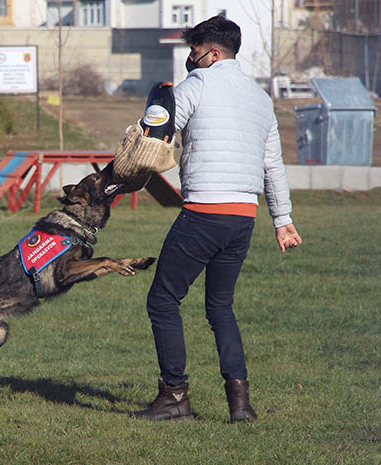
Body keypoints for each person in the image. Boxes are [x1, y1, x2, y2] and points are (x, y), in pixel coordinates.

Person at [130, 16, 303, 422]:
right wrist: (283, 219)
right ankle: (240, 405)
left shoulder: (197, 85)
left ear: (212, 53)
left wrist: (136, 141)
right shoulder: (260, 98)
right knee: (220, 306)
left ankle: (174, 397)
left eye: (194, 51)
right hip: (244, 217)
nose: (190, 58)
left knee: (163, 300)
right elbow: (272, 164)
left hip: (205, 211)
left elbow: (158, 133)